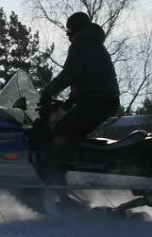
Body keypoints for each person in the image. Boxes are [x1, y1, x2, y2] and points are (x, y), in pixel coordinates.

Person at [35, 11, 121, 181]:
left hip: (98, 99)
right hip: (105, 99)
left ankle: (55, 178)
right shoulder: (93, 43)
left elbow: (70, 74)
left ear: (75, 29)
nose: (68, 35)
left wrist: (48, 92)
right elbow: (88, 77)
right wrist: (70, 101)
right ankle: (80, 174)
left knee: (62, 130)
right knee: (76, 135)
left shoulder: (81, 43)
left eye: (69, 30)